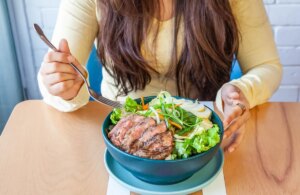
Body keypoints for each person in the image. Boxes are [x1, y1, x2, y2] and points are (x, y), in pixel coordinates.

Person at [37, 0, 282, 153]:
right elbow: (57, 73)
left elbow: (267, 65)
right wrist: (62, 87)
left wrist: (242, 92)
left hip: (203, 132)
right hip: (121, 131)